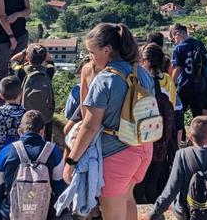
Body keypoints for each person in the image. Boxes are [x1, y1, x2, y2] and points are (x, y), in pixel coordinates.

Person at [63, 23, 154, 220]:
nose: (91, 58)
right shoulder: (143, 73)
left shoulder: (104, 79)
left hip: (116, 153)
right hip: (143, 147)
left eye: (92, 52)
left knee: (112, 214)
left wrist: (71, 161)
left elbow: (90, 125)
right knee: (128, 198)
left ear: (107, 50)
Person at [0, 110, 65, 220]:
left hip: (10, 215)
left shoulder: (7, 152)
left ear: (19, 131)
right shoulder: (54, 152)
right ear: (42, 131)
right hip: (44, 214)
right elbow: (60, 188)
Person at [134, 43, 177, 205]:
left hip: (143, 140)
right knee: (152, 185)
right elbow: (171, 111)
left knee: (138, 186)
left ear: (145, 61)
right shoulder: (168, 82)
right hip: (162, 142)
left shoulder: (141, 82)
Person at [12, 43, 56, 141]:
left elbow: (13, 60)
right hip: (46, 116)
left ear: (27, 58)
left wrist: (24, 52)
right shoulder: (48, 71)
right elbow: (50, 60)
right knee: (46, 140)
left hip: (26, 114)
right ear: (44, 58)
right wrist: (43, 52)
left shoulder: (21, 71)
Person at [169, 24, 207, 121]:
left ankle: (180, 134)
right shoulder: (199, 44)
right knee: (199, 117)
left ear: (177, 34)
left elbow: (177, 69)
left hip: (184, 87)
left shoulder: (179, 48)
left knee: (178, 114)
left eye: (173, 39)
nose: (174, 42)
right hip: (200, 87)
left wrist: (171, 83)